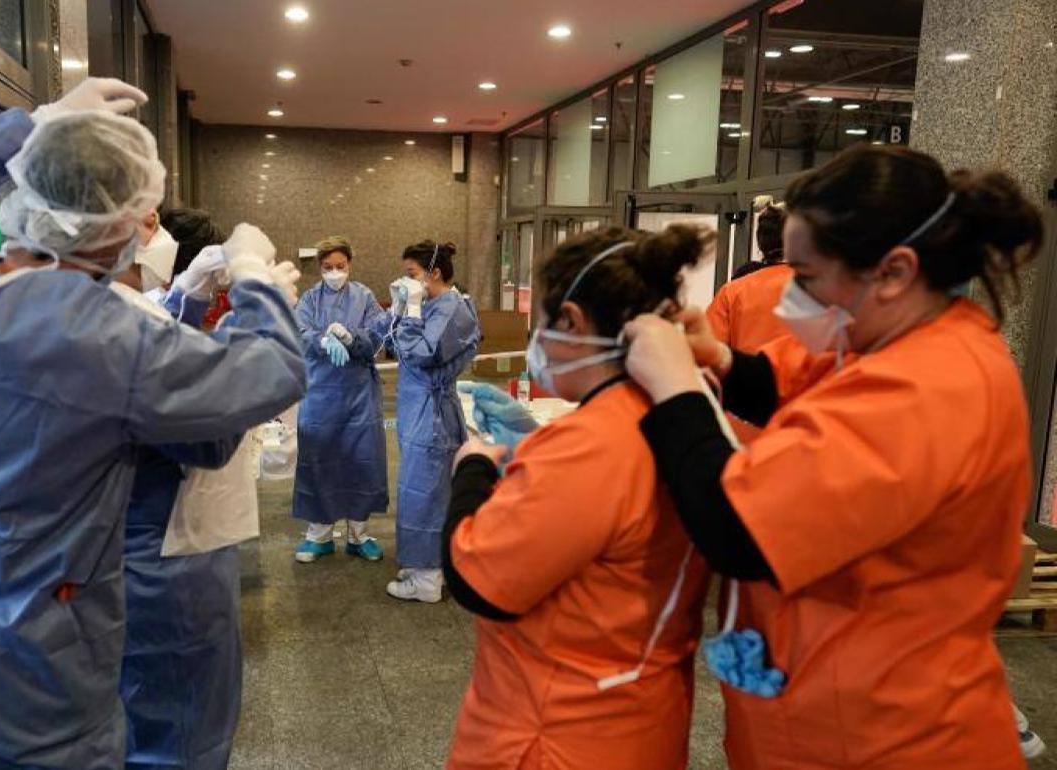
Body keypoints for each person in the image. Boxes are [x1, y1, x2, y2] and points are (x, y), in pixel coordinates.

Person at [0, 78, 306, 769]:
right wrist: (256, 283)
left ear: (26, 193)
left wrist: (32, 124)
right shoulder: (104, 340)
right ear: (124, 232)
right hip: (37, 665)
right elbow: (266, 374)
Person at [622, 144, 1043, 769]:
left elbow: (738, 529)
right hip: (833, 705)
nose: (791, 295)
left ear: (894, 271)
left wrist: (675, 392)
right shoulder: (891, 341)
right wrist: (720, 359)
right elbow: (792, 381)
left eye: (808, 277)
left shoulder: (928, 386)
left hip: (887, 734)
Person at [444, 227, 713, 770]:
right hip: (640, 713)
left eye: (541, 324)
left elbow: (480, 580)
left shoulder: (590, 444)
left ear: (571, 320)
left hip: (556, 731)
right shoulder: (681, 416)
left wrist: (472, 471)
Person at [117, 212, 258, 769]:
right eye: (145, 214)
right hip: (163, 554)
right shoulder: (125, 320)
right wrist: (258, 315)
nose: (156, 228)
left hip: (132, 544)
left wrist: (185, 304)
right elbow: (211, 430)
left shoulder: (87, 307)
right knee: (179, 728)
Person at [384, 241, 481, 602]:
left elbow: (423, 354)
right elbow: (396, 342)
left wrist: (409, 313)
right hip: (422, 409)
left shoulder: (451, 307)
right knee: (421, 488)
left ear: (433, 273)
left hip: (432, 413)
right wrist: (401, 309)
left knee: (424, 492)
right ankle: (426, 562)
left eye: (411, 274)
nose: (407, 281)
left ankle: (426, 578)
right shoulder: (437, 304)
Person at [292, 236, 389, 562]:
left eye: (340, 267)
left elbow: (378, 335)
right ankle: (318, 535)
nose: (335, 272)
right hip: (321, 392)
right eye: (328, 267)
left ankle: (359, 536)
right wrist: (323, 340)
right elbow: (299, 332)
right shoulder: (308, 299)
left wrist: (351, 337)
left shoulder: (364, 297)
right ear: (319, 267)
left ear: (350, 264)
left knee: (361, 460)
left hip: (359, 393)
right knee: (320, 459)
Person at [705, 198, 792, 352]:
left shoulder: (731, 292)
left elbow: (709, 351)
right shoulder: (822, 290)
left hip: (745, 374)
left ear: (760, 241)